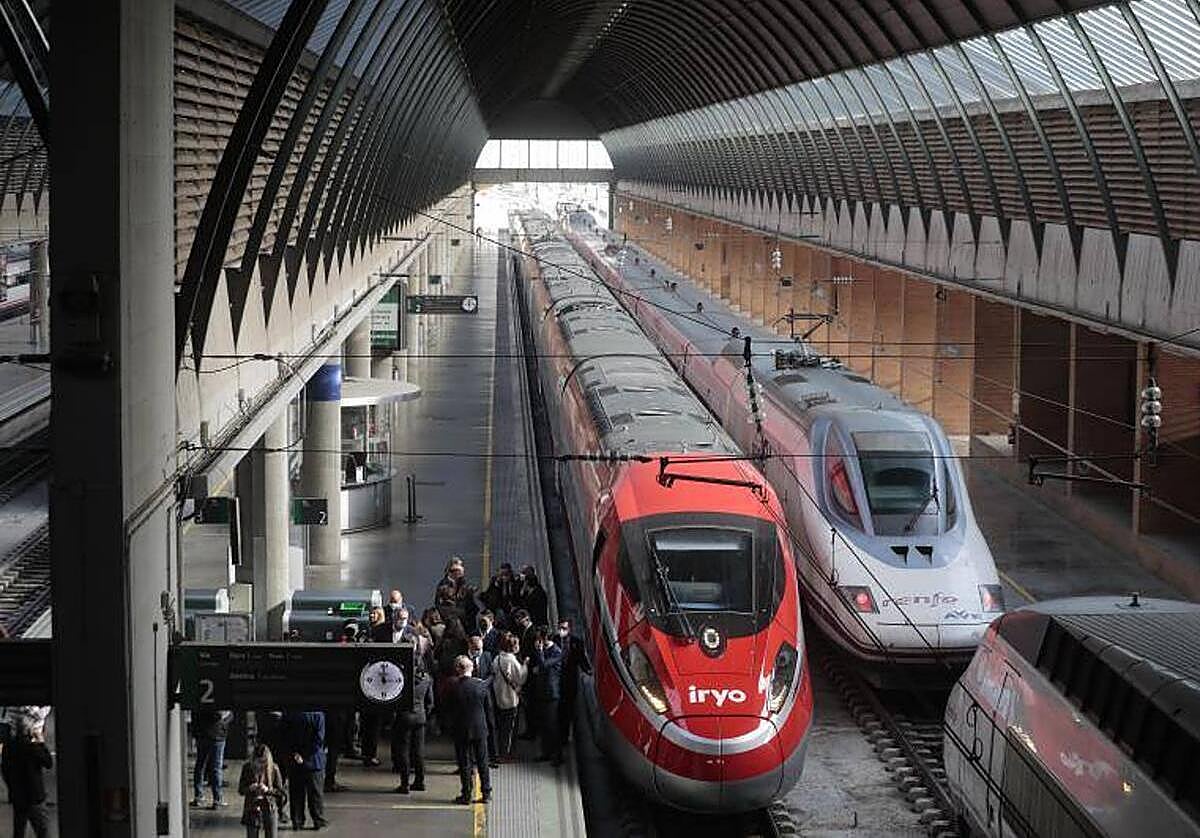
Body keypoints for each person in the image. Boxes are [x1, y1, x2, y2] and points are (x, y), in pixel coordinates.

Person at [448, 655, 494, 805]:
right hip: (480, 728)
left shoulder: (453, 687)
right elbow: (488, 709)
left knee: (464, 763)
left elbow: (447, 709)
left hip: (461, 729)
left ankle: (466, 793)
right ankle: (486, 792)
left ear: (457, 669)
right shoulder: (481, 686)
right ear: (471, 668)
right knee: (483, 761)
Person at [1, 716, 52, 837]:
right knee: (42, 831)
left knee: (19, 830)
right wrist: (41, 743)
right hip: (35, 796)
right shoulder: (33, 748)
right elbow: (48, 762)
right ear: (29, 731)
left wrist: (12, 789)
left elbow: (4, 770)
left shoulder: (9, 747)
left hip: (18, 796)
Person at [282, 710, 328, 830]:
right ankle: (318, 820)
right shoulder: (318, 714)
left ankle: (297, 821)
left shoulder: (290, 713)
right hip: (313, 760)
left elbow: (284, 735)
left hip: (294, 759)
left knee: (296, 792)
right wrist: (305, 755)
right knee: (315, 793)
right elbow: (319, 739)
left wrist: (295, 753)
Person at [393, 664, 434, 794]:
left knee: (403, 751)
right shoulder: (427, 679)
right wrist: (424, 713)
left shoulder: (401, 679)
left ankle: (404, 784)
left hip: (404, 717)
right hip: (420, 717)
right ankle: (420, 781)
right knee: (419, 751)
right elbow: (430, 701)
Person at [527, 627, 564, 766]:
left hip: (551, 693)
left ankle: (557, 756)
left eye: (539, 638)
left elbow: (543, 665)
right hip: (541, 690)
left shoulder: (556, 652)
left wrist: (540, 651)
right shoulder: (544, 650)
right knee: (543, 724)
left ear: (544, 638)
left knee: (552, 726)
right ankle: (546, 752)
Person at [491, 632, 527, 761]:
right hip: (510, 698)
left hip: (499, 696)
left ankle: (500, 751)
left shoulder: (497, 658)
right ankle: (506, 754)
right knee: (510, 728)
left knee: (501, 727)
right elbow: (520, 678)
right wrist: (525, 665)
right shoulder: (511, 660)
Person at [238, 743, 286, 838]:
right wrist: (250, 788)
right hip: (252, 807)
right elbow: (241, 790)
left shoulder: (274, 769)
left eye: (263, 762)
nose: (260, 765)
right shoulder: (247, 768)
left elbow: (281, 793)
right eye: (258, 762)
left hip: (269, 807)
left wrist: (268, 790)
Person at [557, 618, 592, 747]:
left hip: (570, 681)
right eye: (560, 627)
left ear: (569, 629)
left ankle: (565, 735)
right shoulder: (554, 640)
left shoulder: (577, 643)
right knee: (559, 710)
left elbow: (581, 659)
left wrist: (588, 670)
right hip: (557, 681)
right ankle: (560, 734)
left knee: (568, 709)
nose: (561, 631)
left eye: (564, 628)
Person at [191, 708, 230, 808]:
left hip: (202, 734)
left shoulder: (199, 698)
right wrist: (228, 715)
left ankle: (198, 797)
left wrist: (195, 733)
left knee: (200, 765)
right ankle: (217, 799)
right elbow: (220, 714)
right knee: (216, 768)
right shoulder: (218, 698)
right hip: (217, 735)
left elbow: (195, 714)